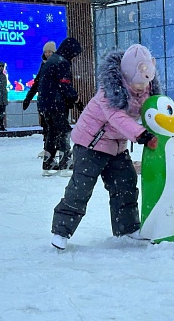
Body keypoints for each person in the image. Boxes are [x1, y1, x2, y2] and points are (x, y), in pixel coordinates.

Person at [50, 44, 161, 250]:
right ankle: (61, 231)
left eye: (145, 84)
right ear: (127, 75)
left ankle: (127, 228)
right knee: (80, 189)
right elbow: (117, 118)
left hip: (117, 146)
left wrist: (168, 123)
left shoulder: (147, 89)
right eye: (137, 84)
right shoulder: (109, 91)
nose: (141, 89)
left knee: (125, 184)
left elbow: (152, 113)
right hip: (90, 144)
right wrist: (141, 135)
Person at [37, 37, 82, 176]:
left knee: (52, 131)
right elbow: (64, 85)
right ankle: (65, 163)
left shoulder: (51, 61)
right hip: (56, 103)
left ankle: (48, 162)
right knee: (64, 130)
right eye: (74, 54)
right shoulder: (62, 62)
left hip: (44, 103)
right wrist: (76, 99)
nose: (73, 58)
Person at [23, 41, 57, 157]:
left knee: (55, 126)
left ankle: (55, 149)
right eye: (46, 52)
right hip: (43, 101)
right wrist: (28, 97)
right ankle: (47, 148)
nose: (47, 54)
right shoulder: (43, 65)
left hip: (54, 101)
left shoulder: (58, 64)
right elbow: (37, 82)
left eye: (50, 52)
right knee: (45, 126)